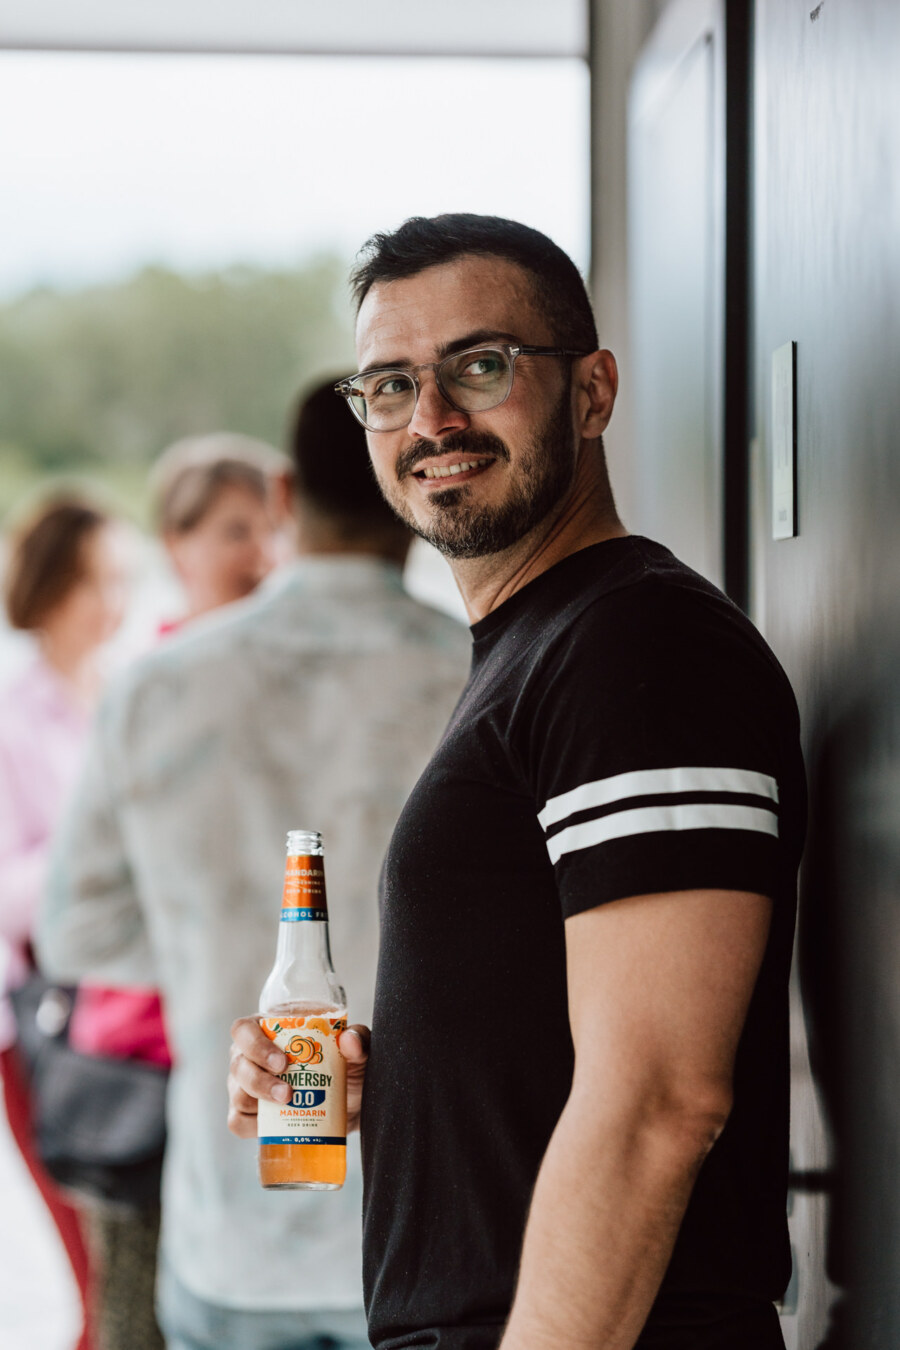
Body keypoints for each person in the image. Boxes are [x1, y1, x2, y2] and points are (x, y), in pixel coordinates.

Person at [227, 214, 807, 1350]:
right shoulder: (542, 646)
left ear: (592, 392)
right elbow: (563, 1039)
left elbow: (659, 1102)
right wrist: (400, 1088)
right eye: (390, 384)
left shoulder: (640, 648)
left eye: (480, 367)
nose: (432, 420)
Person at [36, 379, 471, 1350]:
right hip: (416, 1225)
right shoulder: (476, 675)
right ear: (409, 495)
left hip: (231, 1216)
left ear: (282, 496)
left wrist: (211, 958)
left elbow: (73, 929)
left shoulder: (153, 688)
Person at [0, 494, 130, 1350]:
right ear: (52, 587)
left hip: (123, 1012)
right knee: (91, 1267)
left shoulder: (121, 695)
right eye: (97, 581)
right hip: (42, 1024)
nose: (114, 599)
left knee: (127, 1260)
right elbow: (9, 889)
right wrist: (103, 860)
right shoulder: (11, 715)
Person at [150, 432, 288, 628]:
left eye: (275, 531)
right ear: (174, 546)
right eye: (237, 533)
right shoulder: (155, 657)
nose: (264, 553)